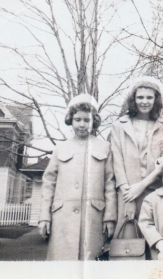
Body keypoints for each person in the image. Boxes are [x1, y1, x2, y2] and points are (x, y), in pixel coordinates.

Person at [38, 94, 117, 260]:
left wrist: (110, 217)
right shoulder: (61, 148)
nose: (82, 124)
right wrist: (44, 217)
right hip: (62, 219)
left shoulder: (104, 147)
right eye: (77, 119)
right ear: (71, 121)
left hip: (94, 218)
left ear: (93, 121)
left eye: (86, 120)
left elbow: (110, 185)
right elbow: (48, 184)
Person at [110, 76, 163, 238]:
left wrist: (143, 185)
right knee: (129, 246)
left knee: (155, 244)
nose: (144, 101)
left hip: (156, 193)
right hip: (127, 195)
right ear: (133, 99)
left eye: (149, 97)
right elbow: (117, 163)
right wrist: (129, 198)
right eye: (140, 97)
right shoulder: (119, 126)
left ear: (156, 100)